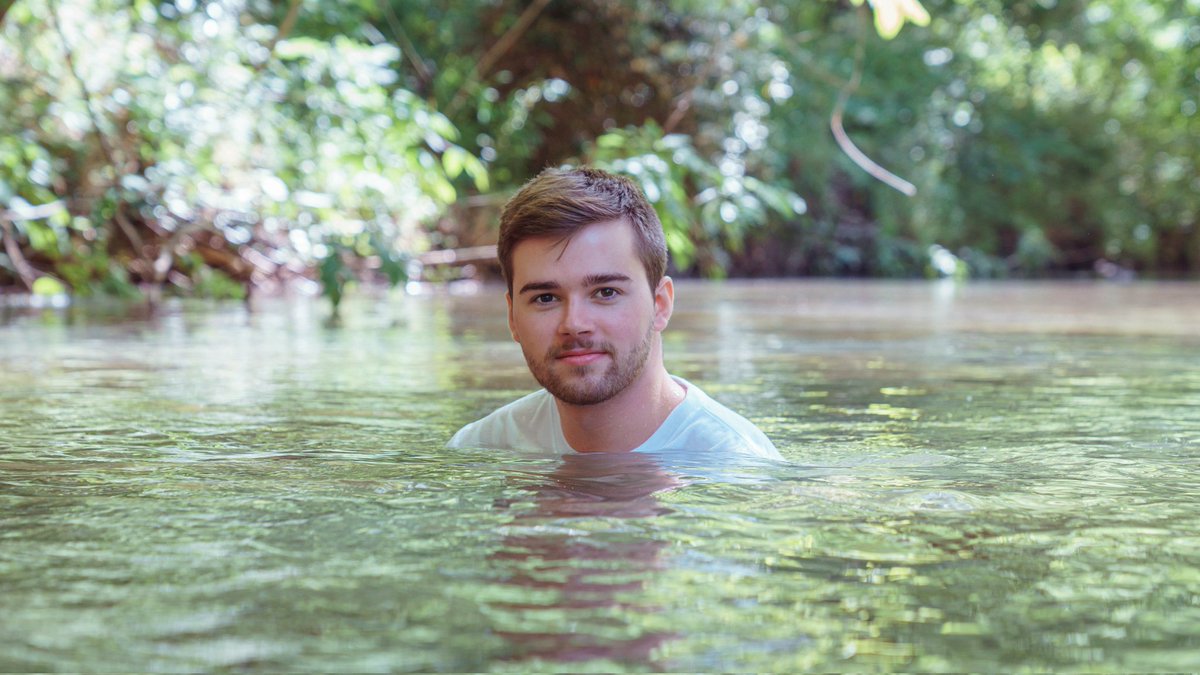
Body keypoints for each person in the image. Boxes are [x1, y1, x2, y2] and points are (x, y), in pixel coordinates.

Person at [448, 166, 781, 460]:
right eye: (546, 298)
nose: (574, 324)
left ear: (661, 305)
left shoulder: (736, 465)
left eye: (606, 293)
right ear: (512, 318)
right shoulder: (482, 451)